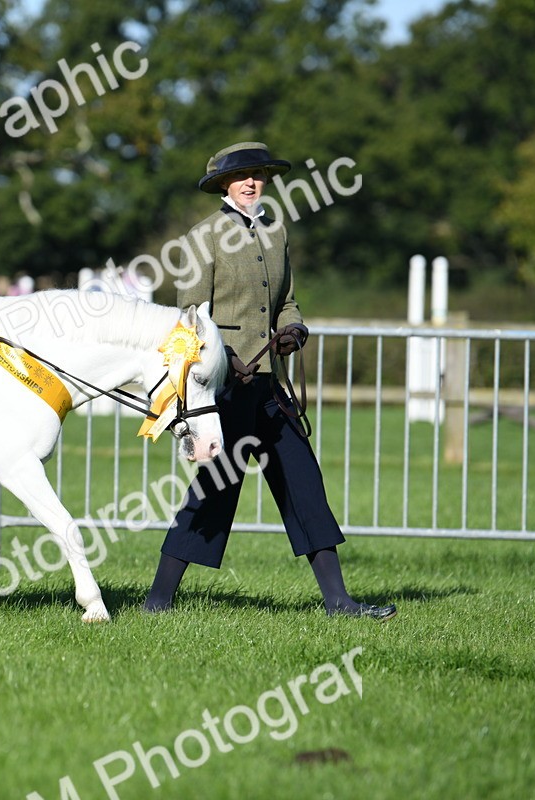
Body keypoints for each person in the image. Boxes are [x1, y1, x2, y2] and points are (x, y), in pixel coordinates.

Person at [143, 141, 396, 621]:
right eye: (242, 176)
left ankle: (339, 602)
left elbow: (288, 300)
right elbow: (190, 318)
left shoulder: (276, 233)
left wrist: (295, 329)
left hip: (270, 388)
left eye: (258, 174)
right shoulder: (204, 236)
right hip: (226, 388)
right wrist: (228, 356)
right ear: (224, 184)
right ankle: (158, 601)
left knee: (305, 484)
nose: (251, 182)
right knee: (214, 491)